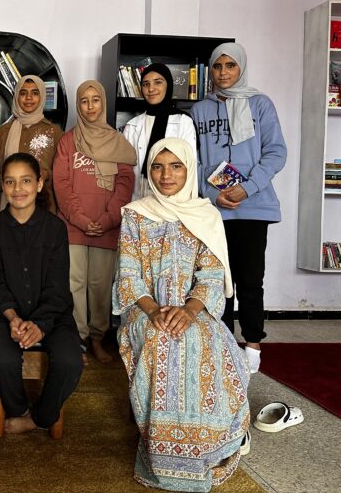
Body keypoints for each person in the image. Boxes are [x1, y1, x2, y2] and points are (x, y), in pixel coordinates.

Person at [114, 137, 250, 492]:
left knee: (204, 339)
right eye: (157, 166)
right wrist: (155, 310)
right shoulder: (136, 213)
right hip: (146, 309)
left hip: (194, 310)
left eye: (176, 166)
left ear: (189, 169)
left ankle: (209, 445)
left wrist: (189, 311)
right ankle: (161, 454)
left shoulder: (205, 214)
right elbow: (128, 275)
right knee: (160, 340)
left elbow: (210, 275)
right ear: (149, 171)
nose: (166, 175)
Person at [191, 43, 287, 373]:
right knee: (218, 280)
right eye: (217, 67)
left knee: (248, 279)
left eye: (230, 66)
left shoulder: (260, 104)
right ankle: (222, 342)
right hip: (215, 209)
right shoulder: (199, 110)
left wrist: (246, 188)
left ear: (241, 67)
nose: (223, 73)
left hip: (252, 206)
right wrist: (210, 191)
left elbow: (276, 153)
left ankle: (253, 346)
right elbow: (195, 160)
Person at [0, 152, 82, 434]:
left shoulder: (55, 228)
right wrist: (13, 318)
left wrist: (39, 325)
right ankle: (19, 410)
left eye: (26, 181)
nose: (18, 189)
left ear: (39, 184)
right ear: (2, 186)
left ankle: (39, 417)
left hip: (52, 315)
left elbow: (57, 286)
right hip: (6, 314)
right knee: (2, 361)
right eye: (11, 182)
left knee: (69, 360)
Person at [53, 80, 136, 364]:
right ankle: (79, 339)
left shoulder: (117, 141)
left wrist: (107, 218)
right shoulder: (68, 141)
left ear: (103, 103)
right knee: (74, 283)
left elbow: (125, 183)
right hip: (74, 226)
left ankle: (99, 338)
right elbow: (61, 184)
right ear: (78, 105)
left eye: (95, 100)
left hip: (107, 228)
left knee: (100, 285)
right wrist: (80, 218)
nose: (90, 106)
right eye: (84, 101)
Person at [122, 63, 196, 198]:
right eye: (145, 84)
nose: (151, 89)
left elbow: (190, 166)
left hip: (173, 200)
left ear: (168, 85)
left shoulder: (183, 121)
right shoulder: (132, 125)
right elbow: (125, 170)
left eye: (158, 82)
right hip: (138, 196)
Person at [0, 75, 62, 212]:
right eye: (23, 93)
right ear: (16, 97)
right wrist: (10, 179)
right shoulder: (3, 132)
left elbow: (63, 175)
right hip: (8, 206)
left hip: (44, 208)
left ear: (42, 97)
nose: (29, 98)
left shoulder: (55, 132)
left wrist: (45, 174)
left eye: (35, 93)